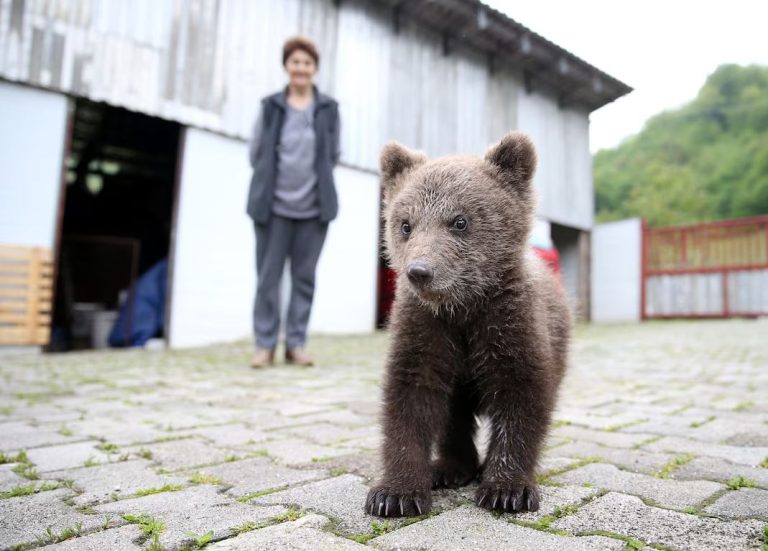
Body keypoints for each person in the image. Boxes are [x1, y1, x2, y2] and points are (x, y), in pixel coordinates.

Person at [247, 37, 341, 368]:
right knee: (268, 279)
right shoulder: (271, 106)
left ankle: (296, 344)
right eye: (295, 62)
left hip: (314, 211)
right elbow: (255, 152)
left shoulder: (328, 109)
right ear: (286, 66)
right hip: (271, 209)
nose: (301, 68)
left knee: (304, 278)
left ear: (314, 69)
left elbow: (333, 155)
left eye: (307, 63)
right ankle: (264, 345)